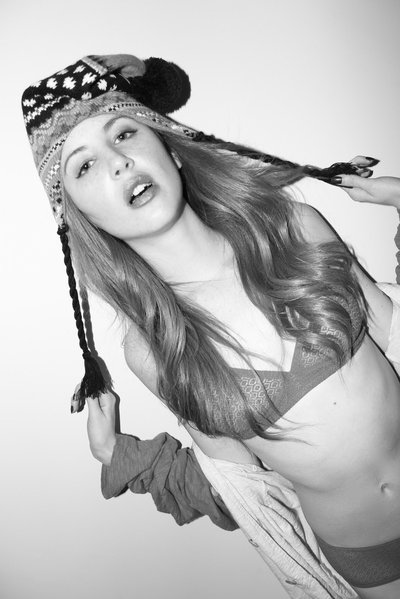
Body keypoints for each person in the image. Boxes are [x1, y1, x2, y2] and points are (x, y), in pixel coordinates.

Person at [22, 53, 400, 599]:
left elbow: (394, 329)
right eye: (83, 166)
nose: (119, 163)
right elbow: (236, 485)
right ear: (79, 216)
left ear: (170, 148)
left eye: (124, 133)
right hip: (374, 566)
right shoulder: (152, 351)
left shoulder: (295, 228)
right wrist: (120, 457)